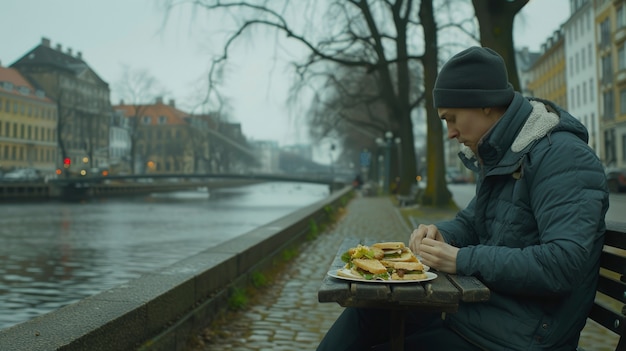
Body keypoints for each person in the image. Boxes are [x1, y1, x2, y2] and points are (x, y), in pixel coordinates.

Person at [317, 46, 609, 350]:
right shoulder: (506, 153)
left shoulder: (562, 157)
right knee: (366, 313)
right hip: (481, 313)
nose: (450, 133)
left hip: (521, 336)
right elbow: (473, 221)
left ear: (485, 103)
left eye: (452, 118)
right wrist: (441, 234)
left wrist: (461, 259)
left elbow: (562, 264)